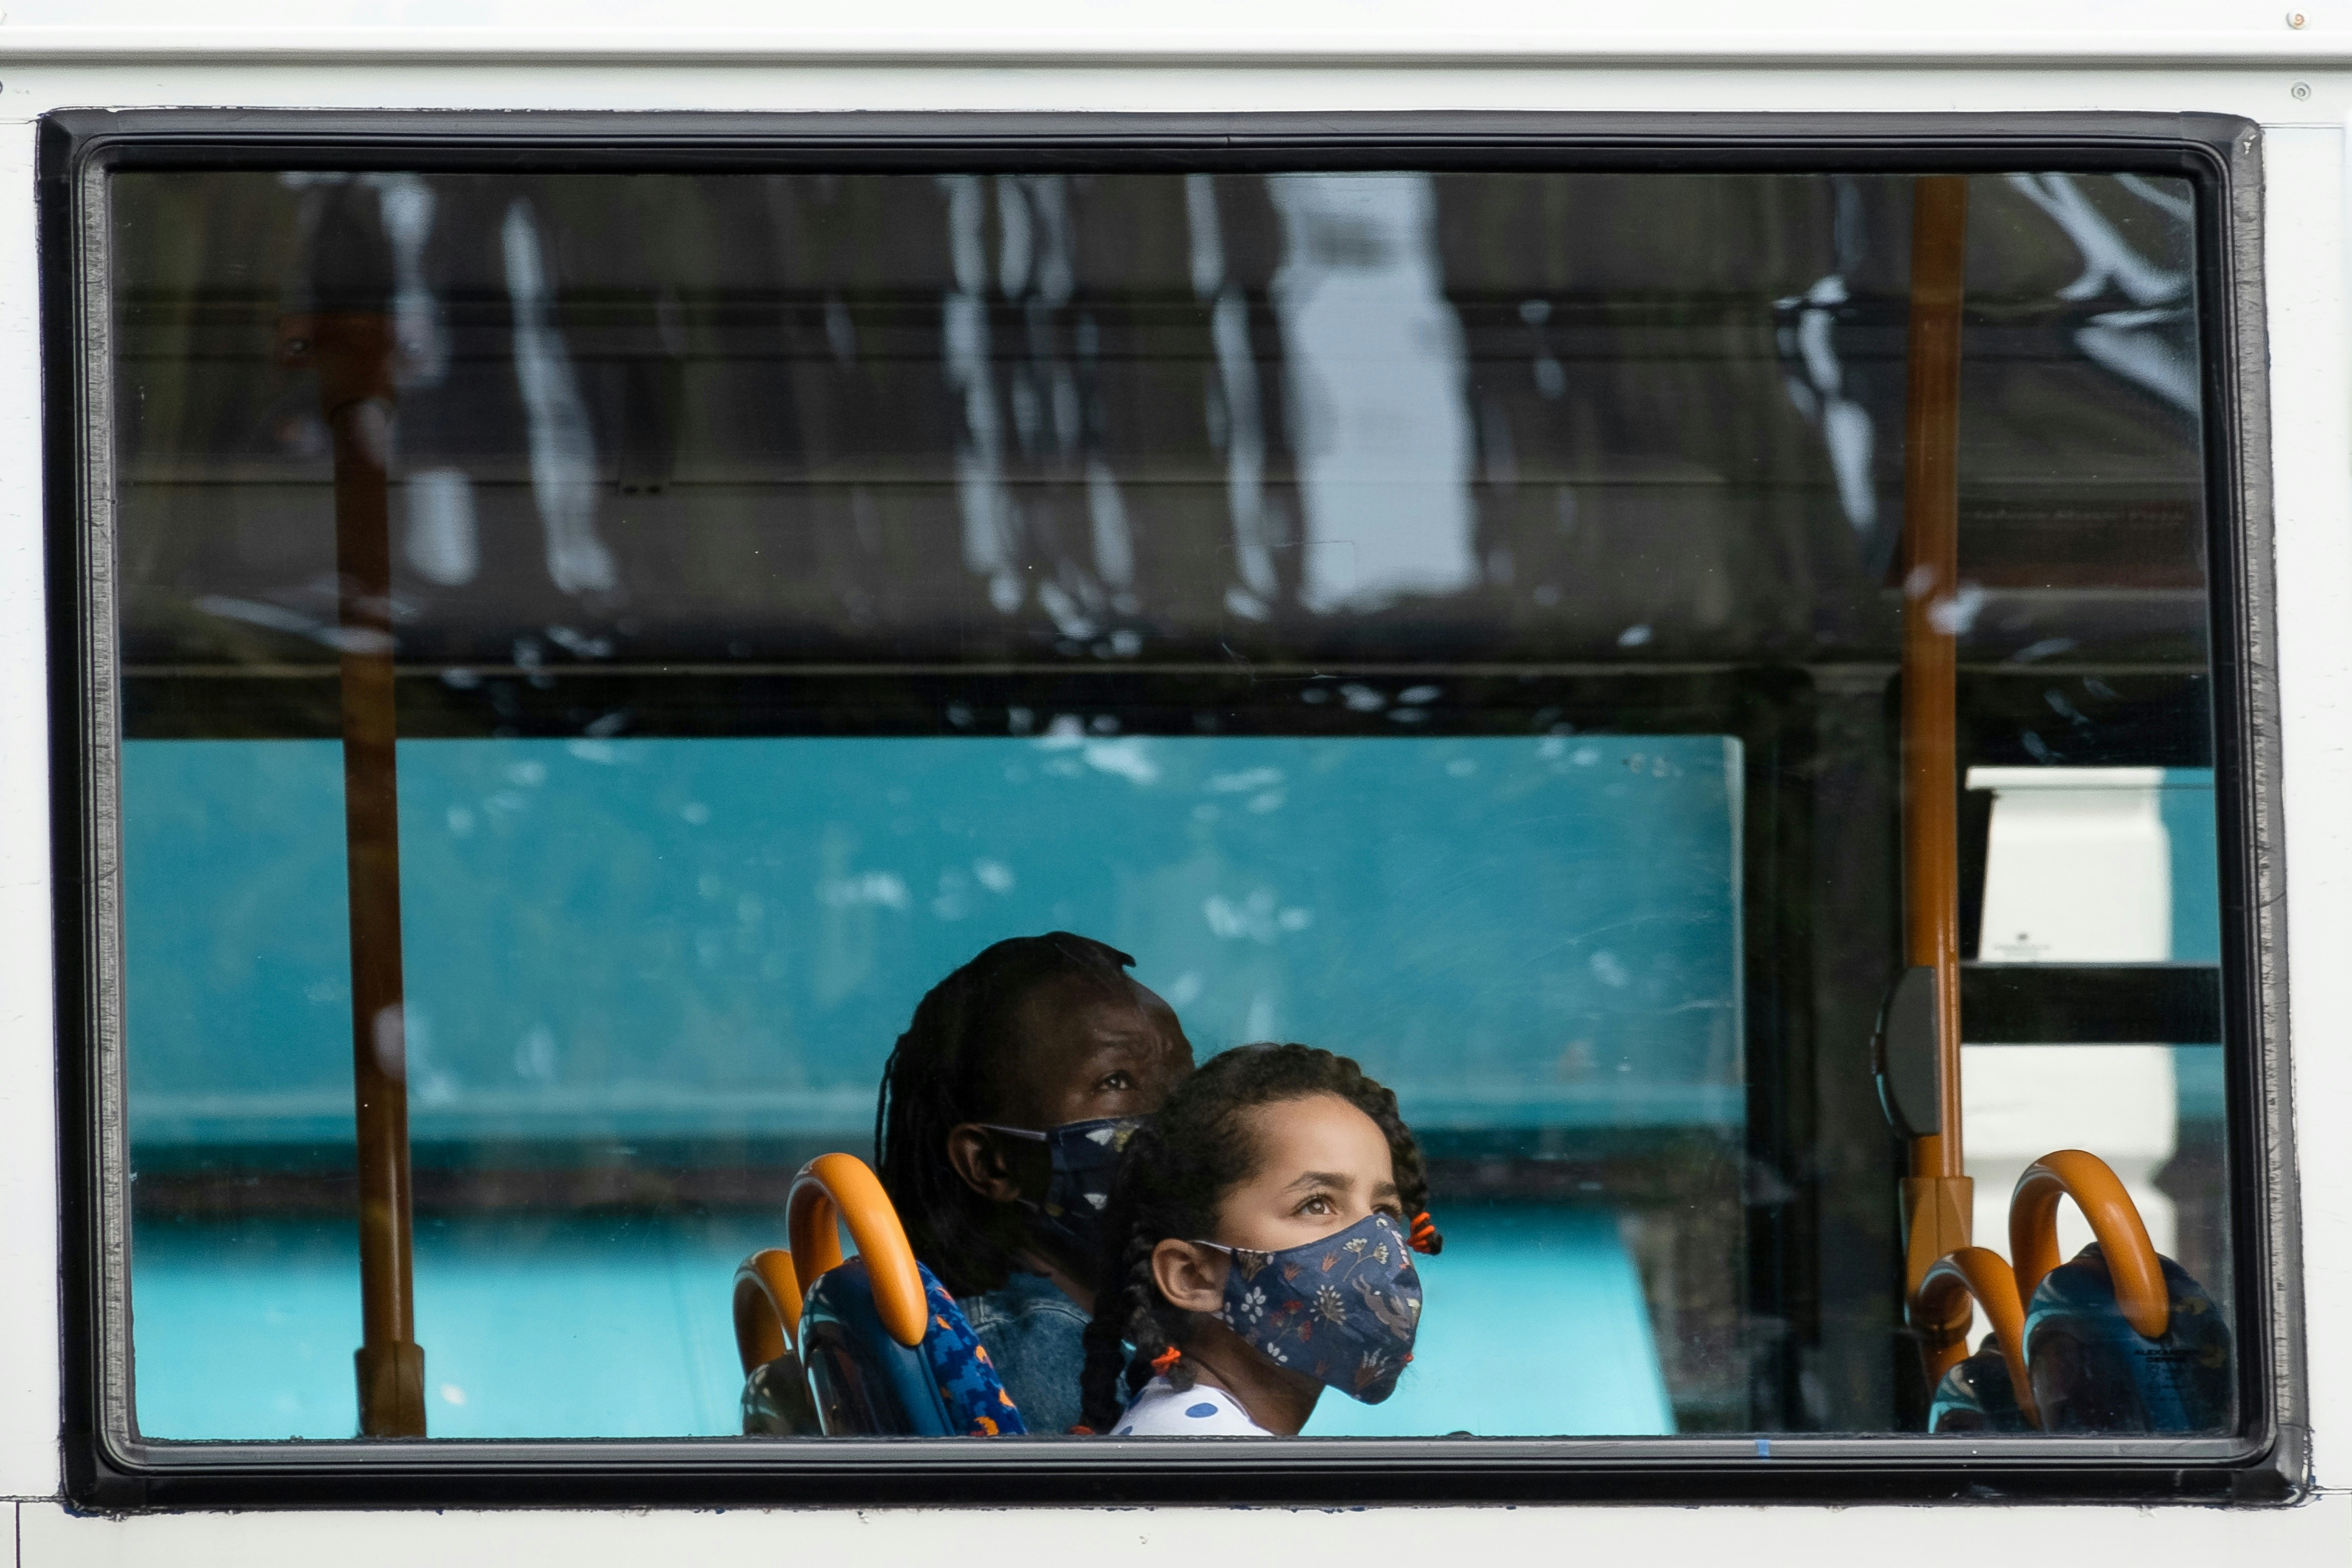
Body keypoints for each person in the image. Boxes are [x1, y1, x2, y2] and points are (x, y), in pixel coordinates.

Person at [874, 932, 1194, 1436]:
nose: (1182, 1109)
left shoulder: (1091, 1327)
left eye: (1187, 1076)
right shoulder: (1027, 1362)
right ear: (991, 1164)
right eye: (1116, 1080)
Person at [1079, 1042, 1442, 1437]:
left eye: (1383, 1211)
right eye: (1316, 1204)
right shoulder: (1212, 1459)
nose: (1377, 1242)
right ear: (1192, 1275)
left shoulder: (1209, 1438)